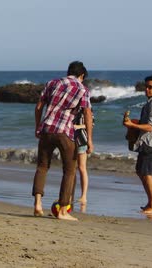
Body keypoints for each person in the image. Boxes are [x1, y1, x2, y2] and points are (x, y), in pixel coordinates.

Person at [32, 61, 93, 221]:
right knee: (70, 170)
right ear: (82, 75)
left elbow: (39, 107)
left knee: (42, 166)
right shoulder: (82, 89)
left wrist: (38, 127)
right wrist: (90, 139)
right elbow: (87, 113)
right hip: (65, 132)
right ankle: (63, 210)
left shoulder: (52, 83)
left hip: (47, 129)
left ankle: (38, 204)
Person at [123, 74, 152, 215]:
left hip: (151, 143)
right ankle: (150, 203)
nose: (146, 89)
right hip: (146, 142)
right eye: (145, 86)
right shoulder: (150, 103)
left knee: (146, 174)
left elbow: (150, 127)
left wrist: (132, 126)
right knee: (140, 171)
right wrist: (133, 123)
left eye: (150, 87)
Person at [72, 71, 94, 205]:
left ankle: (84, 195)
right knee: (70, 168)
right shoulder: (72, 109)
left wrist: (78, 127)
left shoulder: (87, 108)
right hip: (70, 138)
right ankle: (70, 193)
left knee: (81, 167)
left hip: (81, 139)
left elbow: (91, 123)